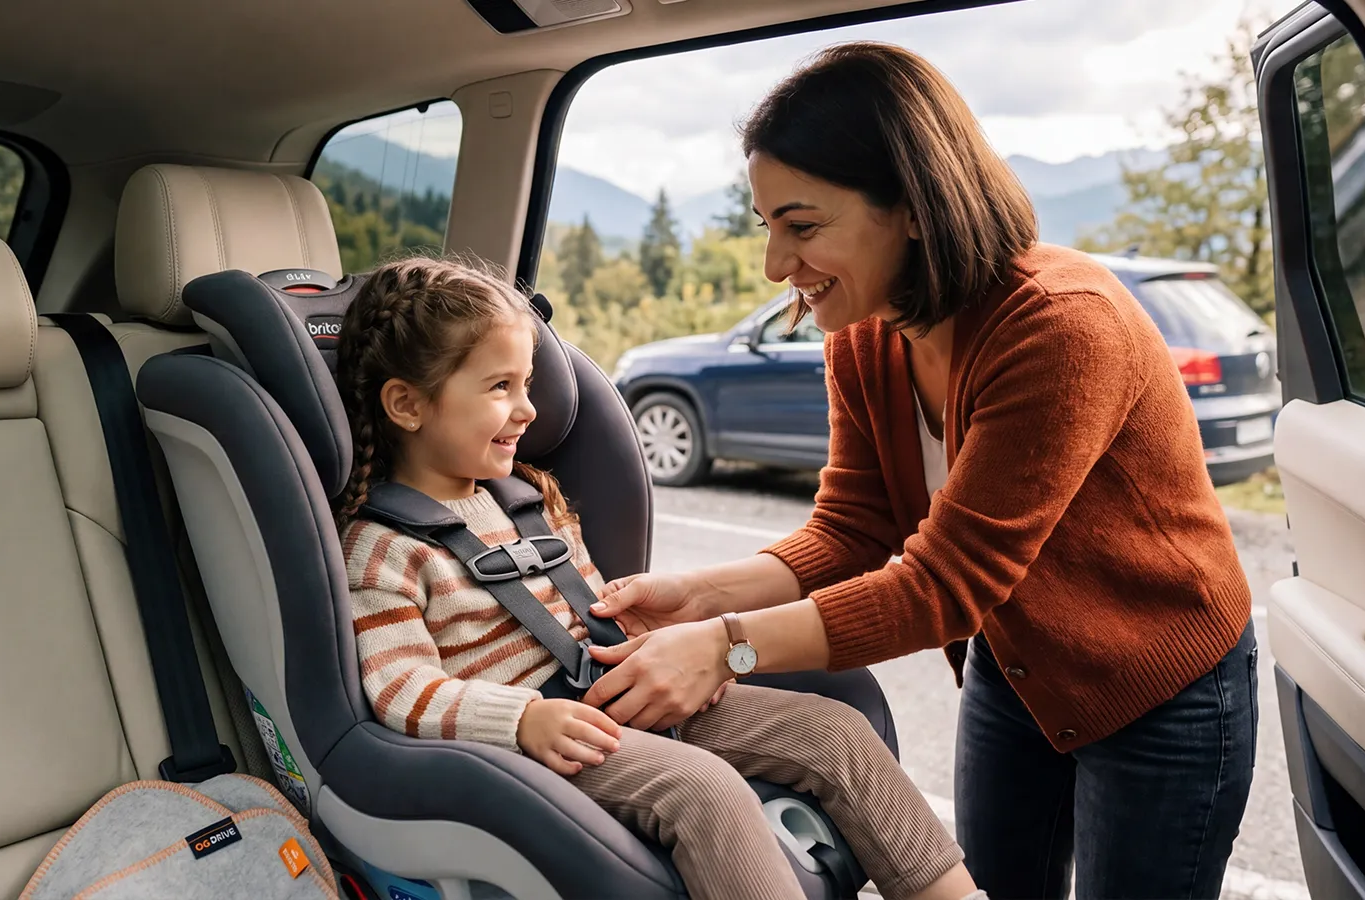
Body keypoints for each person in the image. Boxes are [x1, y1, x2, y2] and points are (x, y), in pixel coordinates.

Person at [584, 43, 1260, 900]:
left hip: (1160, 678)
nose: (774, 265)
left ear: (909, 204)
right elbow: (856, 529)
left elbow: (945, 584)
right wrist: (703, 598)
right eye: (766, 227)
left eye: (802, 225)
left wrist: (725, 651)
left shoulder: (1060, 326)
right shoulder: (868, 333)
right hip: (1014, 669)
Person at [333, 256, 982, 900]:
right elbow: (401, 689)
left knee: (834, 731)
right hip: (536, 748)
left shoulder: (526, 498)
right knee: (705, 790)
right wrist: (523, 719)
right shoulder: (383, 549)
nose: (528, 409)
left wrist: (667, 658)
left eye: (528, 385)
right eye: (500, 387)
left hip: (611, 696)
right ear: (407, 405)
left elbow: (586, 609)